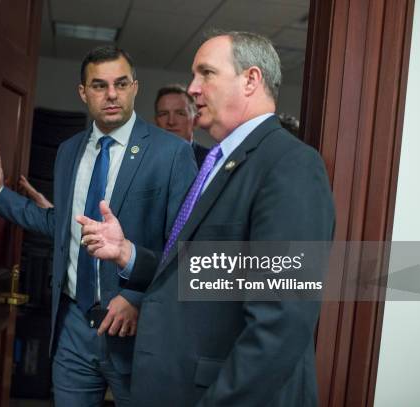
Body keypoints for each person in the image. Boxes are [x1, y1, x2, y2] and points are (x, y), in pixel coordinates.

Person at [77, 31, 335, 407]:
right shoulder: (217, 162)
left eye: (206, 74)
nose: (193, 89)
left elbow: (280, 322)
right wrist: (127, 252)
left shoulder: (290, 165)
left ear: (251, 80)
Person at [0, 45, 196, 406]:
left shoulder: (171, 152)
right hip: (72, 324)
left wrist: (136, 297)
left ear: (135, 87)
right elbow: (65, 226)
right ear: (84, 93)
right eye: (99, 86)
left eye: (121, 83)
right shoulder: (68, 151)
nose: (111, 94)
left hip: (136, 329)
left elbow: (185, 246)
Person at [154, 84, 209, 165]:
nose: (171, 122)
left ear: (195, 121)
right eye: (164, 114)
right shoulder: (142, 160)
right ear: (156, 121)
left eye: (180, 113)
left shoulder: (211, 163)